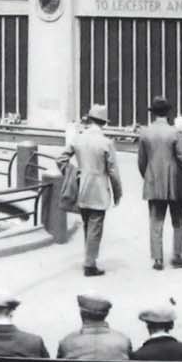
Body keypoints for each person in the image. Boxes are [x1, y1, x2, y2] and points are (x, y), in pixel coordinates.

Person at [136, 97, 182, 270]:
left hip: (153, 181)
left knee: (156, 220)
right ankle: (177, 256)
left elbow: (141, 161)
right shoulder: (174, 133)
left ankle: (157, 259)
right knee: (179, 219)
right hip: (174, 183)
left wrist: (148, 176)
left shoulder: (145, 133)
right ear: (168, 113)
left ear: (153, 113)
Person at [65, 104, 124, 276]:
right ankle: (90, 264)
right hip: (99, 190)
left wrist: (73, 172)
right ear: (104, 123)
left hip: (82, 186)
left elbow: (61, 158)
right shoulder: (106, 142)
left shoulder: (78, 138)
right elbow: (113, 172)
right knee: (95, 227)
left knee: (87, 225)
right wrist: (117, 193)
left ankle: (88, 258)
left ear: (90, 119)